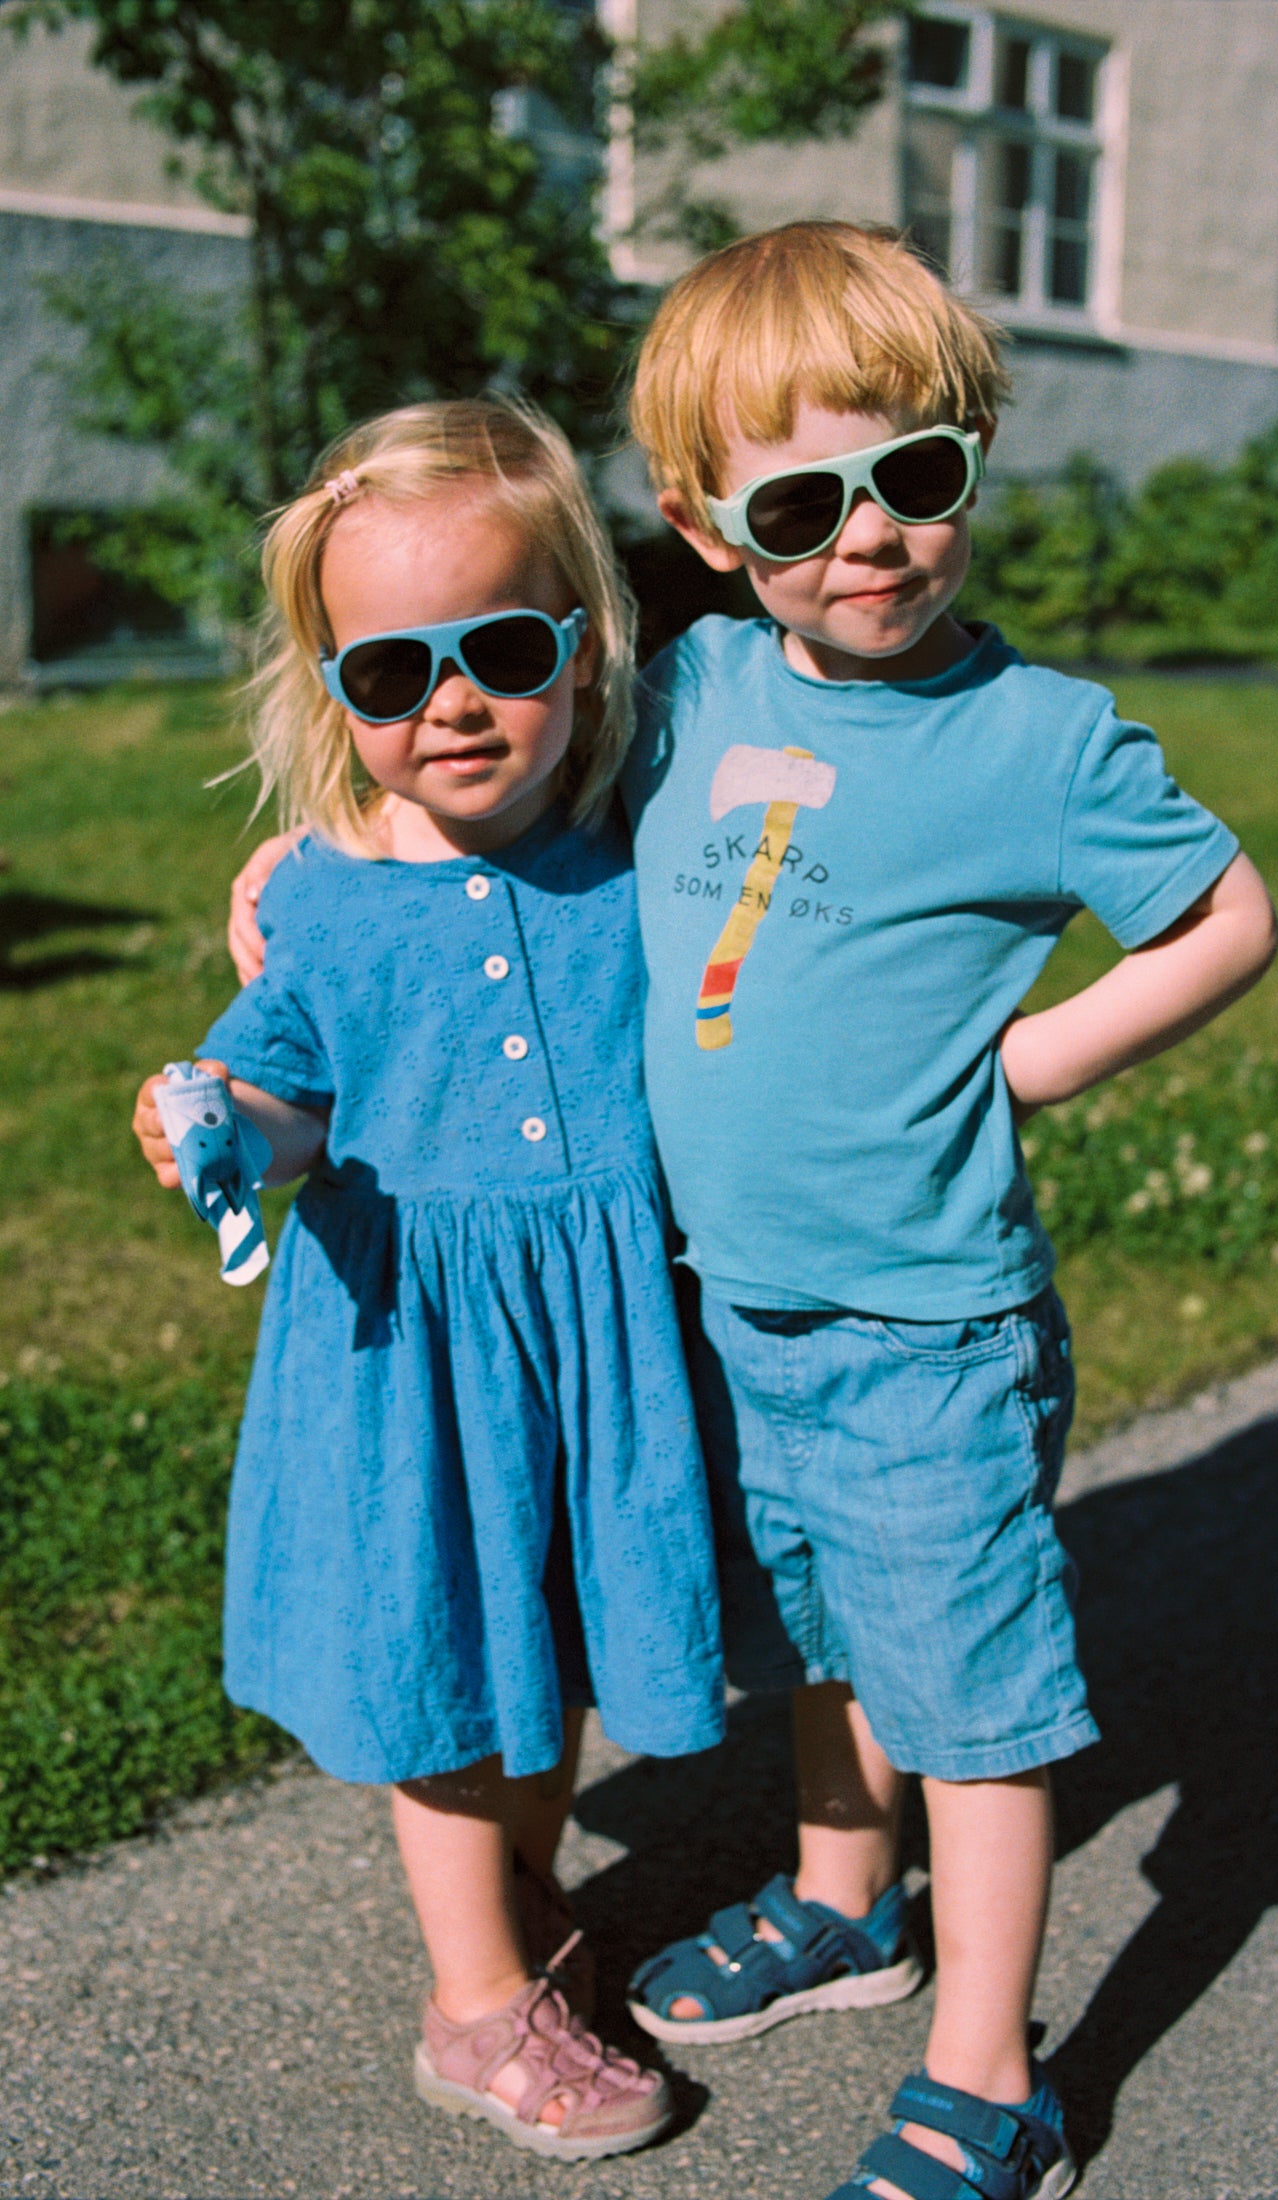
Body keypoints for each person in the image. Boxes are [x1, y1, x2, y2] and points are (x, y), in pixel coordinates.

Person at [229, 224, 1278, 2200]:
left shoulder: (1040, 738)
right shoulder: (696, 684)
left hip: (927, 1317)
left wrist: (1035, 1060)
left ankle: (989, 2075)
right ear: (710, 531)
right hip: (723, 1304)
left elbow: (1229, 913)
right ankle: (843, 1898)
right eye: (801, 503)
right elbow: (488, 733)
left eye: (914, 476)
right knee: (818, 1626)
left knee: (967, 1699)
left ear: (971, 456)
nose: (867, 536)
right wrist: (326, 850)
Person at [132, 396, 725, 2166]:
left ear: (585, 642)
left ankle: (522, 1894)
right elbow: (288, 1089)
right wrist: (217, 1117)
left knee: (548, 1632)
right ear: (334, 692)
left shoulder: (634, 841)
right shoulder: (321, 900)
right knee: (450, 1651)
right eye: (392, 671)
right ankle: (476, 2006)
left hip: (595, 1340)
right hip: (416, 1361)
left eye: (502, 650)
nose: (452, 702)